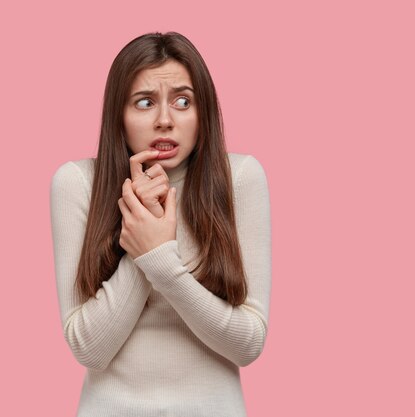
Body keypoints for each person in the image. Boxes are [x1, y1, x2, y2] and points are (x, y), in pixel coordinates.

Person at [49, 31, 271, 416]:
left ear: (204, 114)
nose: (165, 120)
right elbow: (88, 349)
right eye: (145, 102)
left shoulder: (240, 179)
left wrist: (158, 257)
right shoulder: (77, 183)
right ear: (118, 114)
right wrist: (143, 228)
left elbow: (248, 343)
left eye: (183, 101)